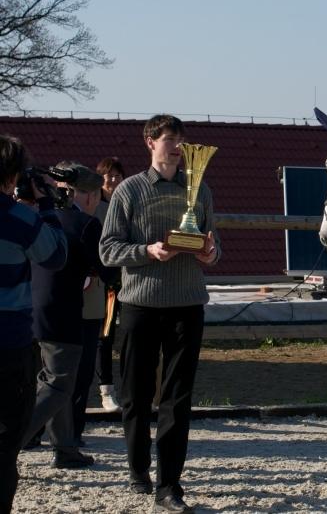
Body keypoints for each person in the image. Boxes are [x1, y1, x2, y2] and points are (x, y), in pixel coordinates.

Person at [100, 114, 220, 514]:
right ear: (150, 142)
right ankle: (138, 468)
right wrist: (147, 251)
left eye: (181, 139)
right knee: (136, 395)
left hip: (188, 304)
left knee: (178, 399)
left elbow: (213, 242)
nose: (178, 147)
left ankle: (170, 485)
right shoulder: (129, 190)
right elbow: (108, 249)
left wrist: (210, 253)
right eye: (170, 139)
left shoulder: (200, 189)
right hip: (141, 305)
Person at [21, 164, 117, 469]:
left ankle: (65, 448)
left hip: (30, 310)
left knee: (53, 379)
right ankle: (9, 442)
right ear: (89, 196)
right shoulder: (86, 224)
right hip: (62, 313)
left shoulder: (39, 217)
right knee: (59, 383)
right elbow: (109, 272)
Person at [0, 135, 67, 514]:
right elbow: (55, 255)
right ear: (12, 176)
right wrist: (45, 206)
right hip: (9, 346)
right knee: (5, 445)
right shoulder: (20, 219)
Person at [68, 162, 121, 443]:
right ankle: (70, 433)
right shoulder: (88, 221)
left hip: (57, 305)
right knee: (81, 367)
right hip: (89, 295)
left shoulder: (52, 216)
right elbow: (105, 265)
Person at [93, 156, 126, 412]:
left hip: (128, 277)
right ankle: (106, 389)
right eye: (109, 175)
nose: (113, 180)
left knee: (129, 335)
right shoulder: (96, 206)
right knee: (104, 334)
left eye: (117, 175)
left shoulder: (127, 203)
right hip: (104, 280)